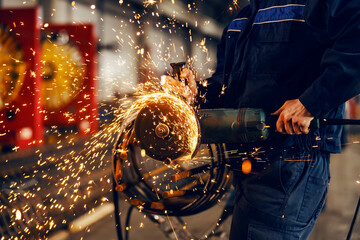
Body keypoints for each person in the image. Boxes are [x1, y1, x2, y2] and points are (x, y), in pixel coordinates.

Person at [164, 0, 360, 239]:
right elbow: (225, 89)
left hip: (290, 160)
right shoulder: (243, 17)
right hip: (247, 161)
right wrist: (198, 93)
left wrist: (310, 103)